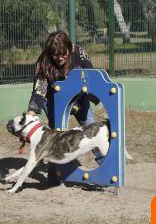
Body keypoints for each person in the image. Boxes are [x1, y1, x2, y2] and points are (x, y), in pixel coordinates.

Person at [27, 31, 103, 184]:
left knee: (90, 129)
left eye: (64, 54)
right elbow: (39, 89)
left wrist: (95, 94)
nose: (60, 58)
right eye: (56, 55)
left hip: (79, 99)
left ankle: (105, 165)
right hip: (54, 101)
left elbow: (91, 74)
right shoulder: (44, 62)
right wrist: (32, 112)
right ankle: (55, 173)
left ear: (70, 49)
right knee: (56, 136)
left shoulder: (78, 53)